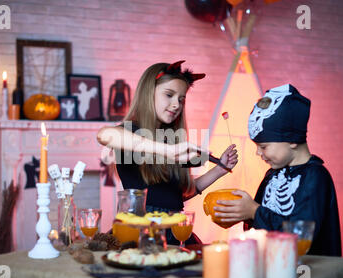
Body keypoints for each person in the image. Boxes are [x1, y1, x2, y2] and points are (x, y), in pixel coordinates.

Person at [97, 60, 238, 245]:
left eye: (181, 99)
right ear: (149, 93)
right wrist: (168, 151)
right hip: (141, 232)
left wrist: (220, 169)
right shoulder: (131, 131)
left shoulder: (171, 139)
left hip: (174, 231)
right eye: (169, 95)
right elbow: (105, 134)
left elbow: (174, 197)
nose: (176, 104)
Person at [213, 84, 342, 256]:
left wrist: (253, 211)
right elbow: (258, 218)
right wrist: (242, 213)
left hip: (306, 275)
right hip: (272, 267)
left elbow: (300, 236)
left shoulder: (316, 177)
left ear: (292, 140)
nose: (258, 153)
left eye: (263, 146)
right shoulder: (272, 175)